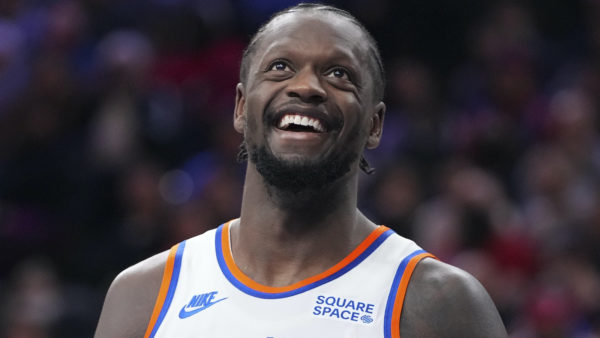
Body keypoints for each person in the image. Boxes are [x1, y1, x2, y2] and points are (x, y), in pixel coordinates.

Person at [95, 3, 507, 337]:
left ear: (375, 125)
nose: (307, 87)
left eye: (339, 74)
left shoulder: (440, 304)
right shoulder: (144, 295)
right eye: (280, 67)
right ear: (240, 107)